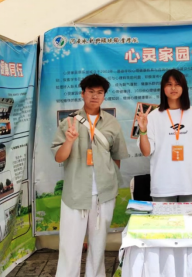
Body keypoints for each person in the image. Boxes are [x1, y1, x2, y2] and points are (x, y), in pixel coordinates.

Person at [51, 74, 129, 277]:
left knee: (98, 246)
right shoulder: (69, 122)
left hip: (104, 194)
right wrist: (69, 141)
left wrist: (108, 180)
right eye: (91, 92)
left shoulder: (111, 123)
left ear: (104, 95)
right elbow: (59, 157)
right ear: (82, 94)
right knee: (69, 247)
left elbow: (117, 157)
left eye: (99, 92)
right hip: (75, 193)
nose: (95, 96)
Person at [137, 69, 192, 202]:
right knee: (162, 217)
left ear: (184, 87)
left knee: (190, 216)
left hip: (190, 183)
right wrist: (143, 130)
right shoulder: (153, 116)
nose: (173, 88)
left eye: (177, 84)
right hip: (162, 185)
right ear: (163, 88)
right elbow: (146, 152)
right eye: (169, 84)